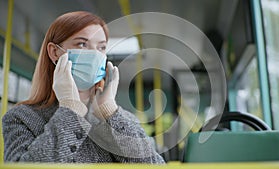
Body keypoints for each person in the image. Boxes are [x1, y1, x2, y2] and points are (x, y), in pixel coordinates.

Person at [2, 11, 165, 163]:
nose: (94, 54)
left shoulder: (121, 119)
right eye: (82, 44)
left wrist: (109, 111)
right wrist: (70, 110)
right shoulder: (21, 118)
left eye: (101, 47)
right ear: (54, 52)